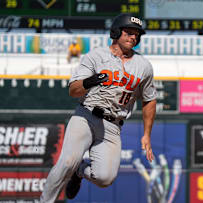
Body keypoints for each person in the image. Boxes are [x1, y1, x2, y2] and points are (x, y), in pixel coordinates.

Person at [40, 13, 157, 202]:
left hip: (113, 124)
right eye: (129, 32)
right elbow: (73, 90)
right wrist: (91, 81)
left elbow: (150, 100)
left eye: (137, 34)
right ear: (116, 32)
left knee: (105, 178)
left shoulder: (143, 66)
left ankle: (79, 172)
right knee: (67, 161)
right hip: (86, 115)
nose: (133, 37)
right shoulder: (96, 56)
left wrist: (147, 134)